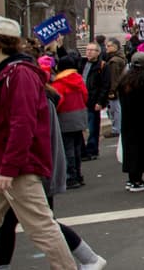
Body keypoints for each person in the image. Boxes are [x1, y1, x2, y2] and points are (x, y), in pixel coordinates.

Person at [0, 40, 107, 270]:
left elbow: (30, 131)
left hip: (24, 168)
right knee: (22, 224)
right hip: (9, 166)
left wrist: (17, 167)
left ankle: (87, 259)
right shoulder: (8, 79)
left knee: (42, 224)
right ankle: (87, 258)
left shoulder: (23, 80)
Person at [0, 15, 78, 269]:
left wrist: (8, 167)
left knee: (43, 229)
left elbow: (22, 124)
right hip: (0, 166)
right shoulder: (0, 74)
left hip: (18, 169)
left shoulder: (20, 75)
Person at [118, 50, 144, 192]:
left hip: (127, 119)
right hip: (143, 119)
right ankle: (137, 180)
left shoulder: (125, 79)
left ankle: (132, 178)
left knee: (130, 148)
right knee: (142, 148)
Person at [50, 55, 89, 189]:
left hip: (65, 117)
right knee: (78, 147)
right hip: (80, 115)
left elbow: (58, 101)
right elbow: (85, 95)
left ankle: (71, 176)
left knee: (68, 148)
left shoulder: (58, 83)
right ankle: (78, 174)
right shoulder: (78, 79)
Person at [78, 42, 107, 160]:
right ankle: (82, 151)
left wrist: (100, 102)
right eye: (87, 49)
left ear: (98, 52)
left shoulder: (102, 66)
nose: (89, 52)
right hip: (81, 100)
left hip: (93, 100)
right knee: (80, 126)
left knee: (93, 127)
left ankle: (92, 150)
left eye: (92, 50)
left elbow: (105, 85)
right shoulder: (82, 63)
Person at [103, 38, 126, 140]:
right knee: (116, 109)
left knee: (115, 109)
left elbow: (113, 77)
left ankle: (116, 129)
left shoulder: (114, 61)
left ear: (115, 47)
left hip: (115, 89)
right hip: (119, 88)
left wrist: (112, 90)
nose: (106, 48)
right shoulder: (118, 58)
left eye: (109, 46)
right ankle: (117, 127)